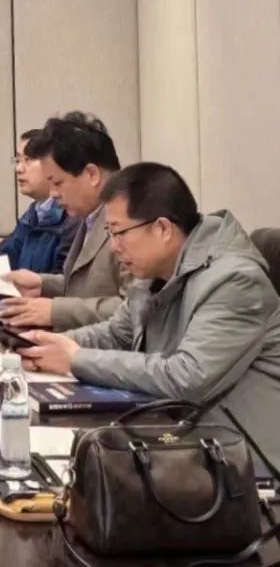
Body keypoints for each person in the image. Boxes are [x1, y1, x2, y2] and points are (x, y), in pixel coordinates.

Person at [15, 163, 280, 467]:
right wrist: (43, 345)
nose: (113, 247)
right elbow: (117, 333)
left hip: (244, 466)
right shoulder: (155, 272)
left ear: (163, 229)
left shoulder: (235, 281)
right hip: (183, 438)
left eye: (119, 233)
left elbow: (187, 378)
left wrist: (76, 359)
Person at [0, 112, 133, 330]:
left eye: (58, 183)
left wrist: (55, 311)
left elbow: (133, 309)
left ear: (92, 174)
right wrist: (42, 284)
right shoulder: (88, 215)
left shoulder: (133, 219)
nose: (53, 194)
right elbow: (89, 287)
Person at [0, 130, 77, 273]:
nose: (19, 169)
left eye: (28, 160)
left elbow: (64, 280)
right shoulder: (34, 214)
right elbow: (3, 259)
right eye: (18, 160)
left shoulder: (73, 216)